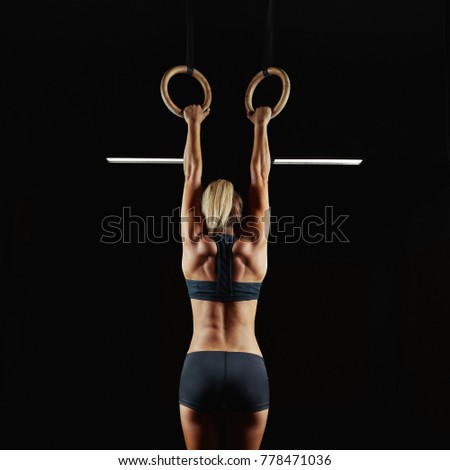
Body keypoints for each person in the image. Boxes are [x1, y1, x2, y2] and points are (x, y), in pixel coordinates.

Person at [178, 104, 272, 450]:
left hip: (200, 362)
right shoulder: (254, 248)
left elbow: (192, 175)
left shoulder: (193, 245)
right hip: (248, 363)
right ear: (238, 208)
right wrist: (261, 124)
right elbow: (259, 177)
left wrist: (193, 123)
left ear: (203, 209)